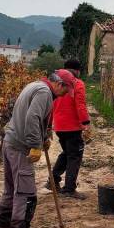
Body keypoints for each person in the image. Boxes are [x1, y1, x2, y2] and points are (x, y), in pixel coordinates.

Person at [0, 70, 74, 228]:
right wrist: (35, 145)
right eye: (65, 91)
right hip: (21, 146)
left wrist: (43, 136)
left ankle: (2, 221)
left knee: (11, 186)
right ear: (59, 84)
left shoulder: (35, 85)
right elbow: (32, 117)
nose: (64, 95)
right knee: (26, 192)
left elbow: (34, 118)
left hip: (10, 142)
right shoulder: (45, 93)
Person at [50, 59, 91, 198]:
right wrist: (86, 122)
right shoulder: (77, 84)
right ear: (76, 70)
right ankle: (69, 189)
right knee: (74, 156)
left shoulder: (55, 84)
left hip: (59, 126)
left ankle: (53, 179)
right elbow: (80, 104)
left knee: (67, 152)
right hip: (72, 126)